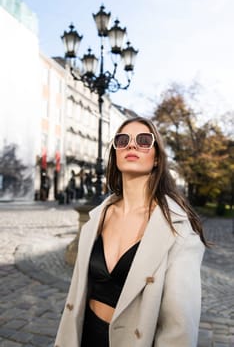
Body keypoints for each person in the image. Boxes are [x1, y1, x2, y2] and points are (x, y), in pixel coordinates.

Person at [54, 117, 208, 347]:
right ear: (115, 153)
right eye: (122, 140)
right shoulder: (97, 217)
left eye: (144, 140)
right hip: (85, 336)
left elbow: (179, 326)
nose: (132, 145)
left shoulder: (178, 229)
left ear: (156, 158)